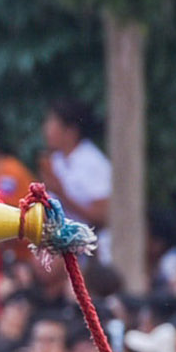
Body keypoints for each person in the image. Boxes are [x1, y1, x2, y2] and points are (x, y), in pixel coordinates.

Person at [38, 98, 113, 267]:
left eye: (52, 123)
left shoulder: (94, 163)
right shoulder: (55, 160)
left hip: (92, 248)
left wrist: (61, 193)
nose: (46, 129)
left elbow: (102, 217)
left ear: (70, 131)